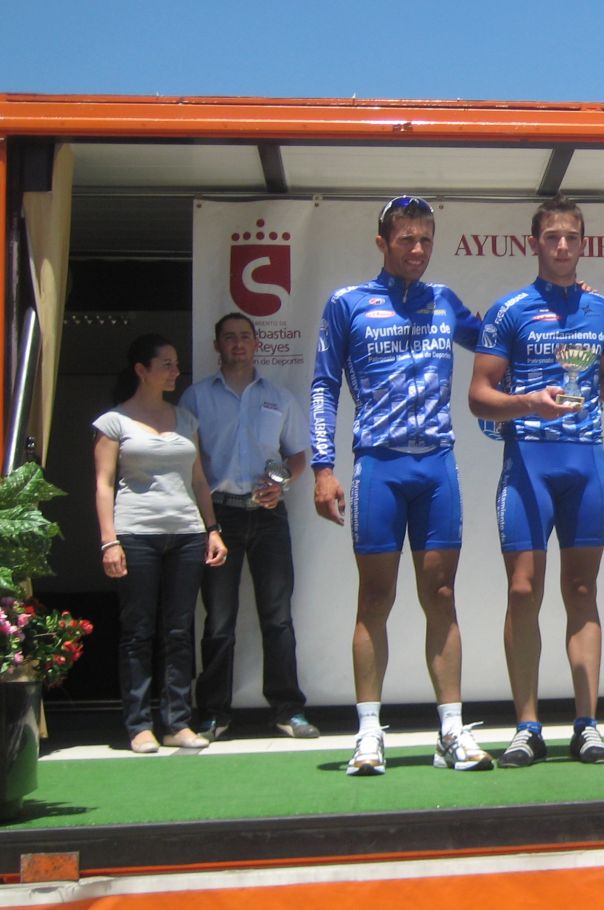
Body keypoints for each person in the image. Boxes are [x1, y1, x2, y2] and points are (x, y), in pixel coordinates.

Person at [310, 194, 493, 775]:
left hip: (436, 465)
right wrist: (322, 466)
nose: (417, 249)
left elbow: (500, 340)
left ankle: (451, 730)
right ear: (382, 242)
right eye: (406, 239)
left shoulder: (445, 301)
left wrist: (562, 302)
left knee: (442, 596)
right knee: (375, 599)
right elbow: (323, 386)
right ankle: (368, 733)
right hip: (379, 466)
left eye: (426, 240)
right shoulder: (348, 303)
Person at [468, 194, 604, 767]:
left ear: (584, 243)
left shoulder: (602, 310)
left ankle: (587, 725)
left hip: (584, 461)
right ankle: (527, 726)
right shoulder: (509, 309)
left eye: (571, 237)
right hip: (528, 462)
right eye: (552, 236)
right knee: (522, 590)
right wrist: (528, 402)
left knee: (582, 591)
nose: (562, 246)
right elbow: (478, 397)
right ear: (534, 243)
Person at [180, 313, 317, 742]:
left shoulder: (278, 397)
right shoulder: (195, 397)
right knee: (219, 620)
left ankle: (288, 709)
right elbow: (188, 460)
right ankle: (213, 713)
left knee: (278, 616)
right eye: (229, 338)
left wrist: (281, 484)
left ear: (257, 343)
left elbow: (299, 455)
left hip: (268, 515)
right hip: (218, 516)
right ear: (216, 345)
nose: (237, 344)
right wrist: (208, 523)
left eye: (244, 337)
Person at [94, 334, 228, 753]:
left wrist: (212, 528)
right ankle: (138, 725)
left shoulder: (185, 419)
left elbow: (199, 479)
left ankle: (177, 722)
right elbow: (103, 484)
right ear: (142, 370)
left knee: (178, 629)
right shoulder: (114, 422)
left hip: (187, 532)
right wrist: (109, 542)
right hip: (136, 533)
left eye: (176, 363)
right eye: (166, 364)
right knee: (138, 631)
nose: (175, 371)